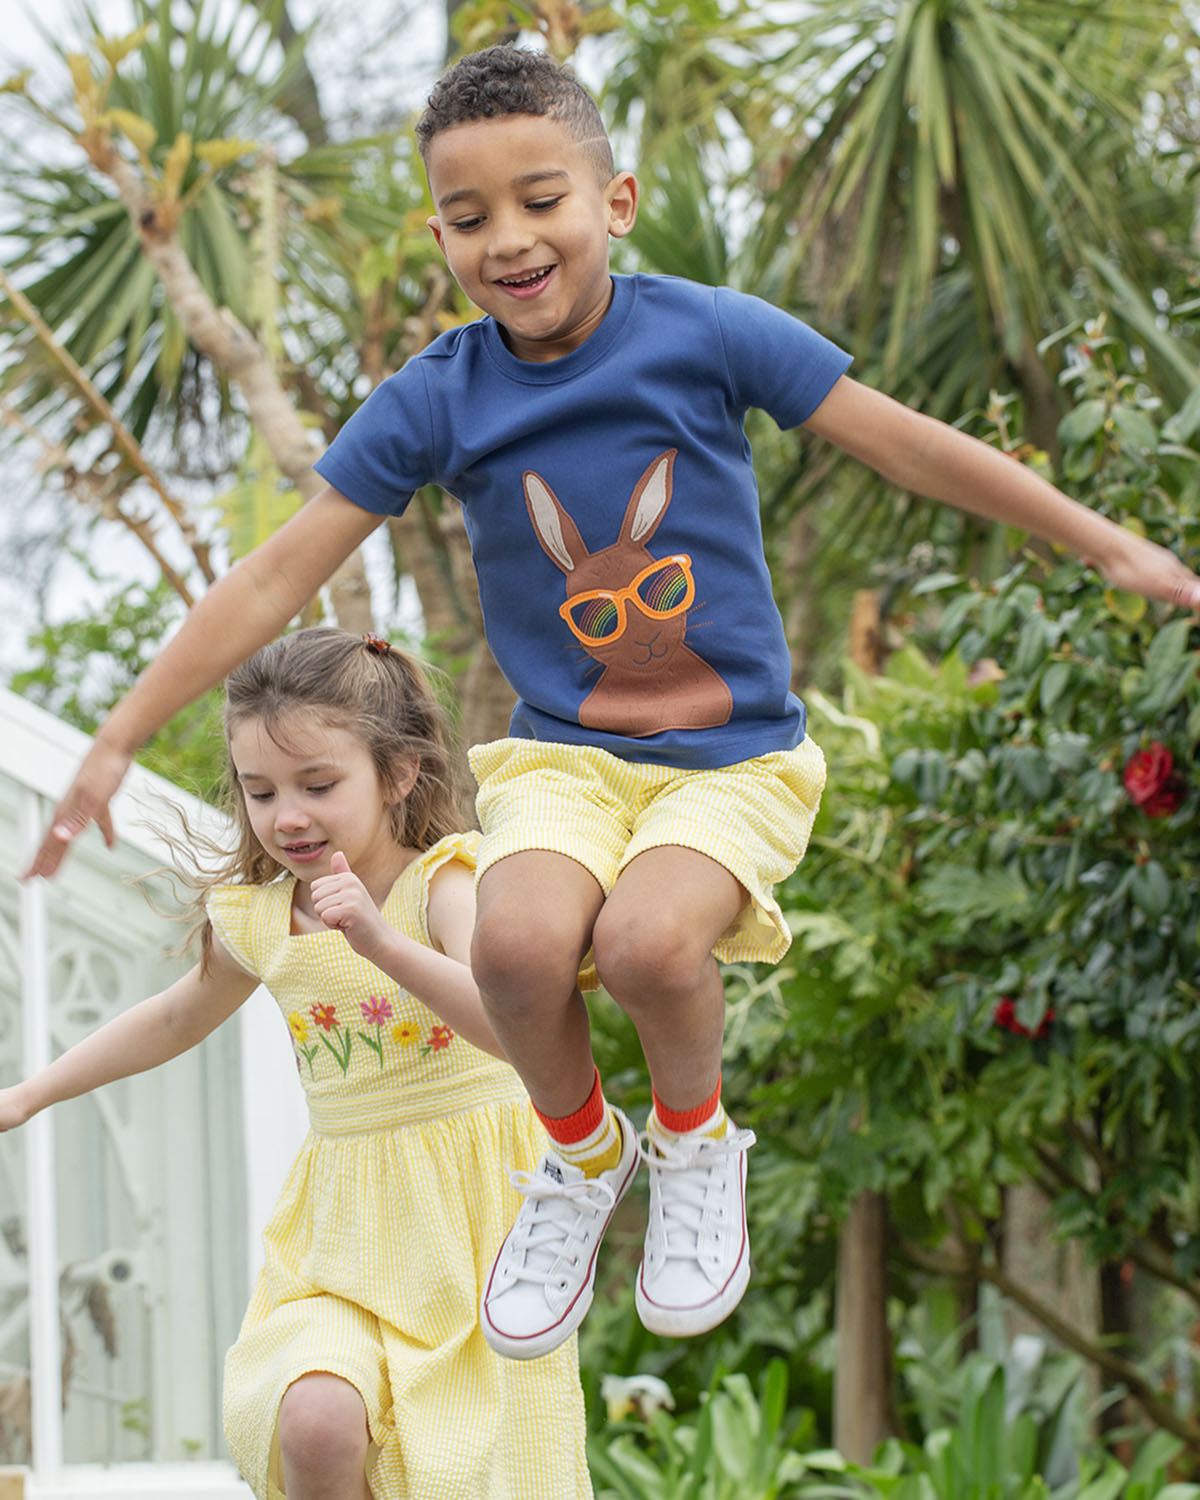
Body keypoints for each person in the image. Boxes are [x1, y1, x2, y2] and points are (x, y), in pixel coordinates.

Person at [24, 45, 1200, 1364]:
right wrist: (119, 737)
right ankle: (584, 1157)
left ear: (616, 202)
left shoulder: (705, 330)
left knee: (647, 948)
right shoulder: (442, 396)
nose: (511, 240)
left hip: (732, 761)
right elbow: (278, 572)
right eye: (470, 218)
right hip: (565, 761)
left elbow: (904, 441)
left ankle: (694, 1144)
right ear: (439, 234)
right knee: (516, 954)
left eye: (543, 201)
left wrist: (1101, 540)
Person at [6, 628, 593, 1500]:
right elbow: (170, 1018)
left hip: (474, 1225)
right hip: (341, 1234)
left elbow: (509, 1026)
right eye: (260, 791)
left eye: (319, 785)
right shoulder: (261, 918)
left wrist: (380, 940)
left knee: (476, 1466)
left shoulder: (448, 883)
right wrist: (25, 1095)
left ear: (398, 774)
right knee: (315, 1420)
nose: (287, 816)